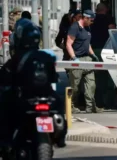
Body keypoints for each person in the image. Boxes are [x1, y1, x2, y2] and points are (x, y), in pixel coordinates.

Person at [0, 19, 67, 147]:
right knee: (59, 102)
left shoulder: (15, 60)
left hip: (25, 99)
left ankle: (5, 142)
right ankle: (61, 137)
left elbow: (4, 78)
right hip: (46, 98)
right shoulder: (46, 56)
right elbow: (54, 77)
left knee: (4, 107)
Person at [66, 9, 103, 114]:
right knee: (75, 87)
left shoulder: (88, 28)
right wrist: (74, 58)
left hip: (87, 59)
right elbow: (68, 44)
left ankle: (90, 107)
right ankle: (71, 106)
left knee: (91, 85)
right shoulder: (74, 27)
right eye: (91, 20)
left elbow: (88, 44)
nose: (92, 22)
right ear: (85, 18)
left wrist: (92, 54)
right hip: (77, 59)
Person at [90, 3, 116, 109]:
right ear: (106, 9)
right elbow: (113, 31)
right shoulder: (108, 18)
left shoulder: (92, 19)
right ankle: (109, 102)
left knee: (97, 76)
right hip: (107, 49)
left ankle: (98, 101)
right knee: (110, 75)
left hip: (94, 49)